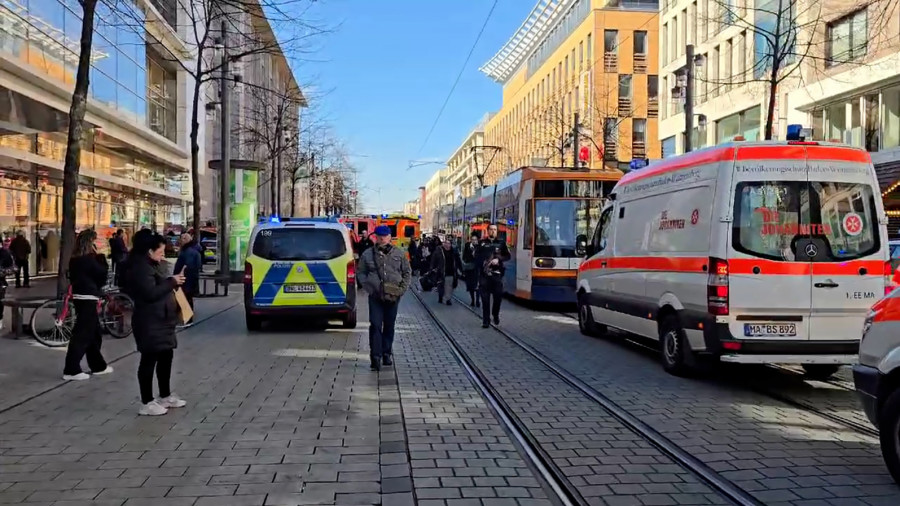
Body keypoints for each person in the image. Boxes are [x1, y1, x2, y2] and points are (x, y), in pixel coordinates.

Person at [126, 233, 187, 416]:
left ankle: (165, 395)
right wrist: (171, 282)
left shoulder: (154, 265)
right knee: (149, 359)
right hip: (149, 321)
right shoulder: (140, 268)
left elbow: (161, 287)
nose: (162, 255)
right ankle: (146, 401)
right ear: (149, 251)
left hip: (163, 319)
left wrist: (174, 282)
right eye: (160, 252)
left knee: (165, 357)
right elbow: (150, 293)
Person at [357, 225, 411, 372]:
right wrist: (368, 287)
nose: (382, 238)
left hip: (393, 296)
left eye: (385, 236)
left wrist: (401, 290)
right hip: (375, 296)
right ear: (376, 237)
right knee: (375, 325)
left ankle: (386, 352)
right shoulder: (367, 254)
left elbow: (407, 272)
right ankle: (375, 357)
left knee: (389, 325)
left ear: (389, 237)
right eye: (380, 236)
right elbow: (361, 272)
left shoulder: (399, 254)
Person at [63, 230, 112, 381]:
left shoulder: (75, 259)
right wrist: (102, 260)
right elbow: (102, 276)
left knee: (94, 332)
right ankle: (71, 369)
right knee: (83, 334)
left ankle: (98, 365)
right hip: (88, 296)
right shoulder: (91, 259)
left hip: (80, 296)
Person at [476, 223, 511, 328]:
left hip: (497, 275)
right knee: (485, 299)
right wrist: (482, 262)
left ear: (497, 231)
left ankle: (495, 314)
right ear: (488, 231)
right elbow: (476, 256)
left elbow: (508, 256)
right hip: (484, 275)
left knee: (498, 297)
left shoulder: (501, 243)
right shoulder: (481, 243)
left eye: (495, 229)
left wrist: (498, 259)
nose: (493, 231)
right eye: (491, 229)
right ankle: (486, 320)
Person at [173, 233, 201, 324]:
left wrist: (179, 274)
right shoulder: (193, 250)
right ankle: (187, 318)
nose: (181, 240)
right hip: (190, 277)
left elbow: (186, 265)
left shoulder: (187, 251)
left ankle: (187, 319)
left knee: (183, 297)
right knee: (186, 297)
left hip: (185, 278)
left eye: (183, 238)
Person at [430, 238, 462, 305]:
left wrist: (461, 270)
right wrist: (432, 268)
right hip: (441, 271)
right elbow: (433, 260)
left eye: (449, 243)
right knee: (441, 285)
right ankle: (441, 296)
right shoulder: (439, 251)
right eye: (446, 243)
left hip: (451, 271)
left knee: (450, 286)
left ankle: (448, 299)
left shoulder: (453, 252)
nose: (447, 245)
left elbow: (458, 261)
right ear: (443, 244)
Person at [462, 233, 480, 307]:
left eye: (475, 240)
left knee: (477, 286)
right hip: (469, 269)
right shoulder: (467, 246)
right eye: (472, 240)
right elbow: (464, 256)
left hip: (477, 269)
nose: (474, 241)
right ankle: (473, 300)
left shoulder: (479, 247)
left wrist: (475, 254)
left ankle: (477, 300)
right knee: (470, 286)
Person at [0, 245, 13, 331]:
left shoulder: (4, 253)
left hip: (0, 282)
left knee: (0, 301)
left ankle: (0, 320)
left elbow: (11, 267)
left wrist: (3, 271)